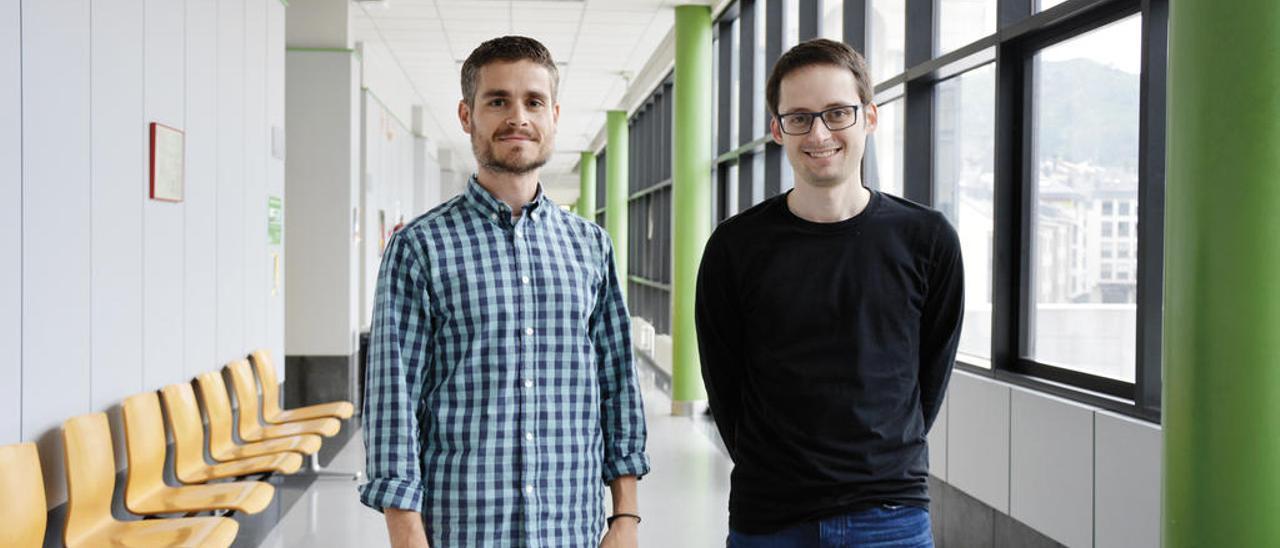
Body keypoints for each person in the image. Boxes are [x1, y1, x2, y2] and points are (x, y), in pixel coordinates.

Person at [359, 35, 649, 548]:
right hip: (462, 529)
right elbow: (393, 402)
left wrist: (624, 517)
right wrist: (406, 534)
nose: (518, 116)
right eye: (498, 101)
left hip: (572, 529)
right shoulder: (419, 247)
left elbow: (617, 382)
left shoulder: (591, 247)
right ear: (467, 115)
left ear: (553, 115)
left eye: (533, 101)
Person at [695, 38, 964, 547]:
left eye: (837, 113)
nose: (819, 133)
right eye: (799, 118)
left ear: (869, 117)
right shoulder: (735, 247)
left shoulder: (927, 240)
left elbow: (929, 378)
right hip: (770, 517)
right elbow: (724, 384)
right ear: (777, 129)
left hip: (890, 516)